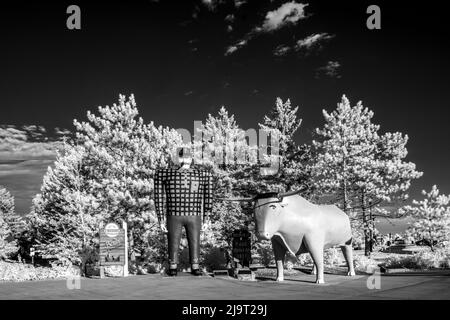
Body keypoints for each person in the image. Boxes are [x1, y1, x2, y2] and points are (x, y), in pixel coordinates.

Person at [154, 148, 213, 276]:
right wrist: (161, 218)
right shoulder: (164, 173)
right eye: (182, 157)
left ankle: (195, 265)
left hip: (194, 214)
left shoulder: (203, 175)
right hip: (173, 214)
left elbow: (208, 197)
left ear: (191, 158)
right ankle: (173, 265)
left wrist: (207, 218)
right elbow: (158, 196)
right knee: (173, 240)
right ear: (178, 158)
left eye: (187, 156)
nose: (185, 159)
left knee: (195, 240)